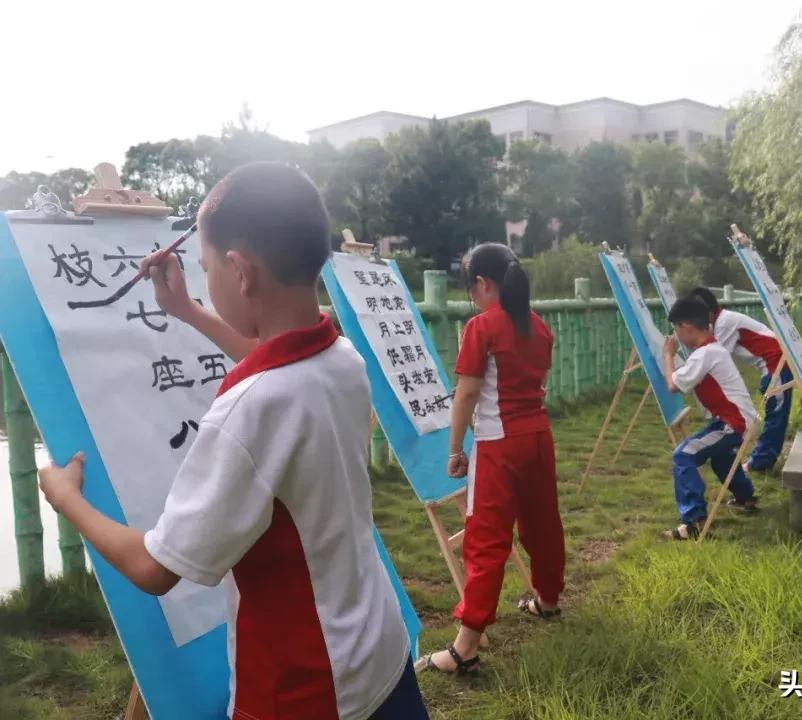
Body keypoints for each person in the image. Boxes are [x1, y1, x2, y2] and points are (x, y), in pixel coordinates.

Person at [37, 162, 428, 719]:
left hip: (304, 689)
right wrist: (187, 311)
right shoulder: (340, 356)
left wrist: (65, 497)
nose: (206, 279)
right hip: (377, 651)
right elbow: (279, 368)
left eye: (206, 268)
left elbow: (156, 569)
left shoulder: (249, 410)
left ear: (240, 272)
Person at [420, 243, 565, 675]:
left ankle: (465, 647)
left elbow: (465, 393)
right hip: (538, 437)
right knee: (543, 523)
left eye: (471, 290)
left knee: (485, 539)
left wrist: (454, 450)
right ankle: (549, 600)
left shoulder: (482, 327)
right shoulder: (539, 327)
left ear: (482, 284)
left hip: (499, 443)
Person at [661, 297, 759, 540]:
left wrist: (668, 356)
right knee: (720, 457)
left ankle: (694, 522)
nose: (676, 335)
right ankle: (745, 498)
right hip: (738, 420)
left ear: (685, 327)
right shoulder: (713, 350)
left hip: (733, 423)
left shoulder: (705, 354)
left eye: (676, 329)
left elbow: (673, 385)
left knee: (683, 455)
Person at [688, 286, 791, 472]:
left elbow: (717, 357)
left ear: (710, 312)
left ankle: (761, 461)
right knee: (775, 411)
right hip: (772, 364)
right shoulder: (722, 320)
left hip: (777, 362)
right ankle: (762, 459)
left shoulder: (725, 322)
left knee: (776, 413)